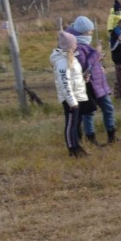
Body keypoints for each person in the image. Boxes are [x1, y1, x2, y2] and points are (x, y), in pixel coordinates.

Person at [67, 15, 119, 145]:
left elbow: (90, 61)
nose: (91, 33)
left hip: (99, 83)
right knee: (89, 112)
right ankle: (91, 138)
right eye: (90, 31)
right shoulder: (76, 46)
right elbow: (84, 65)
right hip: (89, 85)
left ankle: (112, 136)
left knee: (108, 109)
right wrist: (96, 53)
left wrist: (97, 57)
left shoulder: (84, 43)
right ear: (83, 31)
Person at [51, 30, 89, 158]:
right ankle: (72, 149)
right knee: (70, 124)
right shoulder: (62, 62)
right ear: (69, 46)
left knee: (75, 123)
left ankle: (76, 146)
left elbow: (73, 77)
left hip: (76, 96)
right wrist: (72, 101)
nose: (76, 45)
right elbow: (64, 83)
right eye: (74, 44)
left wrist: (83, 78)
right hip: (70, 99)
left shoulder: (71, 58)